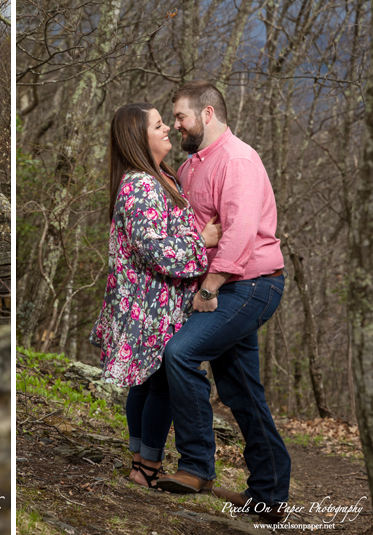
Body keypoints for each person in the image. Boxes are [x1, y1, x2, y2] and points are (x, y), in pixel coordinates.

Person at [154, 80, 290, 524]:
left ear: (207, 114)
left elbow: (239, 231)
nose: (177, 125)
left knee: (180, 353)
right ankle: (269, 495)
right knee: (240, 388)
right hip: (227, 284)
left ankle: (196, 467)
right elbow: (195, 231)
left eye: (181, 117)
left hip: (250, 285)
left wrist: (208, 288)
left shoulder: (237, 159)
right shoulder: (194, 165)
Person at [89, 103, 222, 488]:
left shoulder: (157, 177)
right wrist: (202, 241)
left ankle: (139, 463)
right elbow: (156, 249)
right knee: (160, 383)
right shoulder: (143, 184)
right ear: (138, 137)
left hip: (151, 302)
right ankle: (146, 467)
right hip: (150, 304)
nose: (167, 129)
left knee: (147, 383)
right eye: (159, 125)